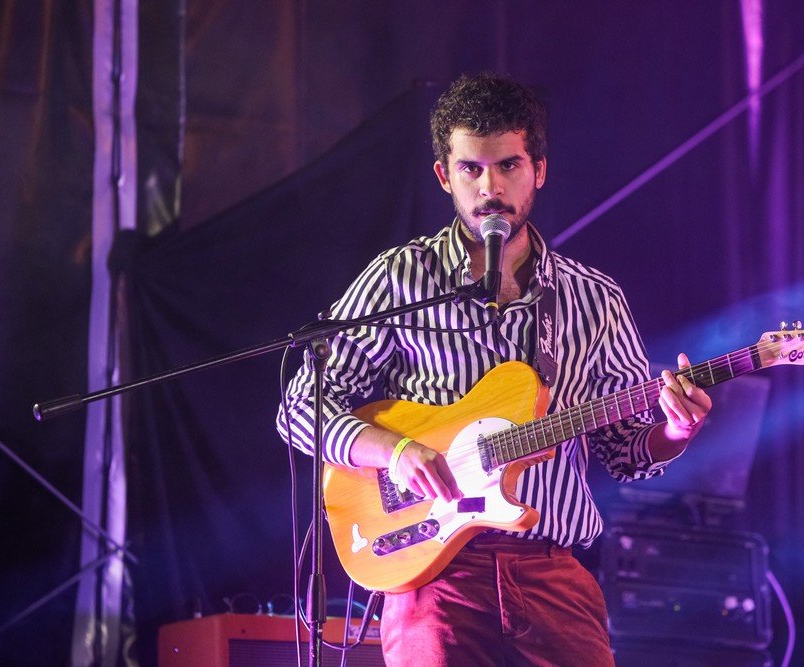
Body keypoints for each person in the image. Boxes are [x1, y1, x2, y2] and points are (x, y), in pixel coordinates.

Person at [277, 72, 712, 666]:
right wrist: (396, 452)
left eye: (508, 165)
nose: (491, 187)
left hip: (553, 575)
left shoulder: (595, 299)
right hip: (434, 578)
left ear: (539, 170)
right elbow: (301, 407)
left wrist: (676, 431)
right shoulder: (402, 278)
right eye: (471, 169)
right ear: (444, 176)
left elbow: (624, 453)